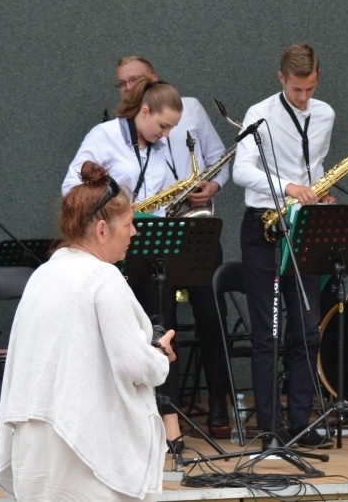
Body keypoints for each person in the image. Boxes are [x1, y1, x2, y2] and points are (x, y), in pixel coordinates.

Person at [0, 161, 175, 501]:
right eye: (129, 224)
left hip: (32, 443)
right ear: (102, 230)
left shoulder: (43, 275)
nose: (134, 233)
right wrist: (160, 355)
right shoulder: (101, 276)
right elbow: (134, 364)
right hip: (80, 448)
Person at [113, 56, 233, 435]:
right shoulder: (117, 131)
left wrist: (211, 187)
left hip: (193, 227)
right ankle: (168, 413)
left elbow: (220, 161)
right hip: (150, 233)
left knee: (211, 316)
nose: (129, 87)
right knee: (159, 325)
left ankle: (219, 402)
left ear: (155, 79)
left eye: (136, 79)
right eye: (122, 83)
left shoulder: (191, 109)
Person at [62, 78, 185, 446]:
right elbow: (72, 187)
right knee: (122, 336)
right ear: (143, 111)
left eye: (172, 129)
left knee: (161, 330)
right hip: (110, 244)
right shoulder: (104, 136)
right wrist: (116, 208)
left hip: (147, 243)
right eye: (162, 125)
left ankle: (167, 423)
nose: (165, 134)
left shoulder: (160, 147)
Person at [233, 43, 335, 449]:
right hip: (265, 225)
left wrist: (319, 190)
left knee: (308, 330)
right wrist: (288, 188)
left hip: (303, 224)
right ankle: (269, 429)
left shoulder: (324, 114)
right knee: (267, 335)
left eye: (310, 89)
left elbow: (315, 165)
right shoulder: (259, 114)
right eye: (296, 90)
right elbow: (242, 169)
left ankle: (301, 423)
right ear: (281, 79)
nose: (303, 98)